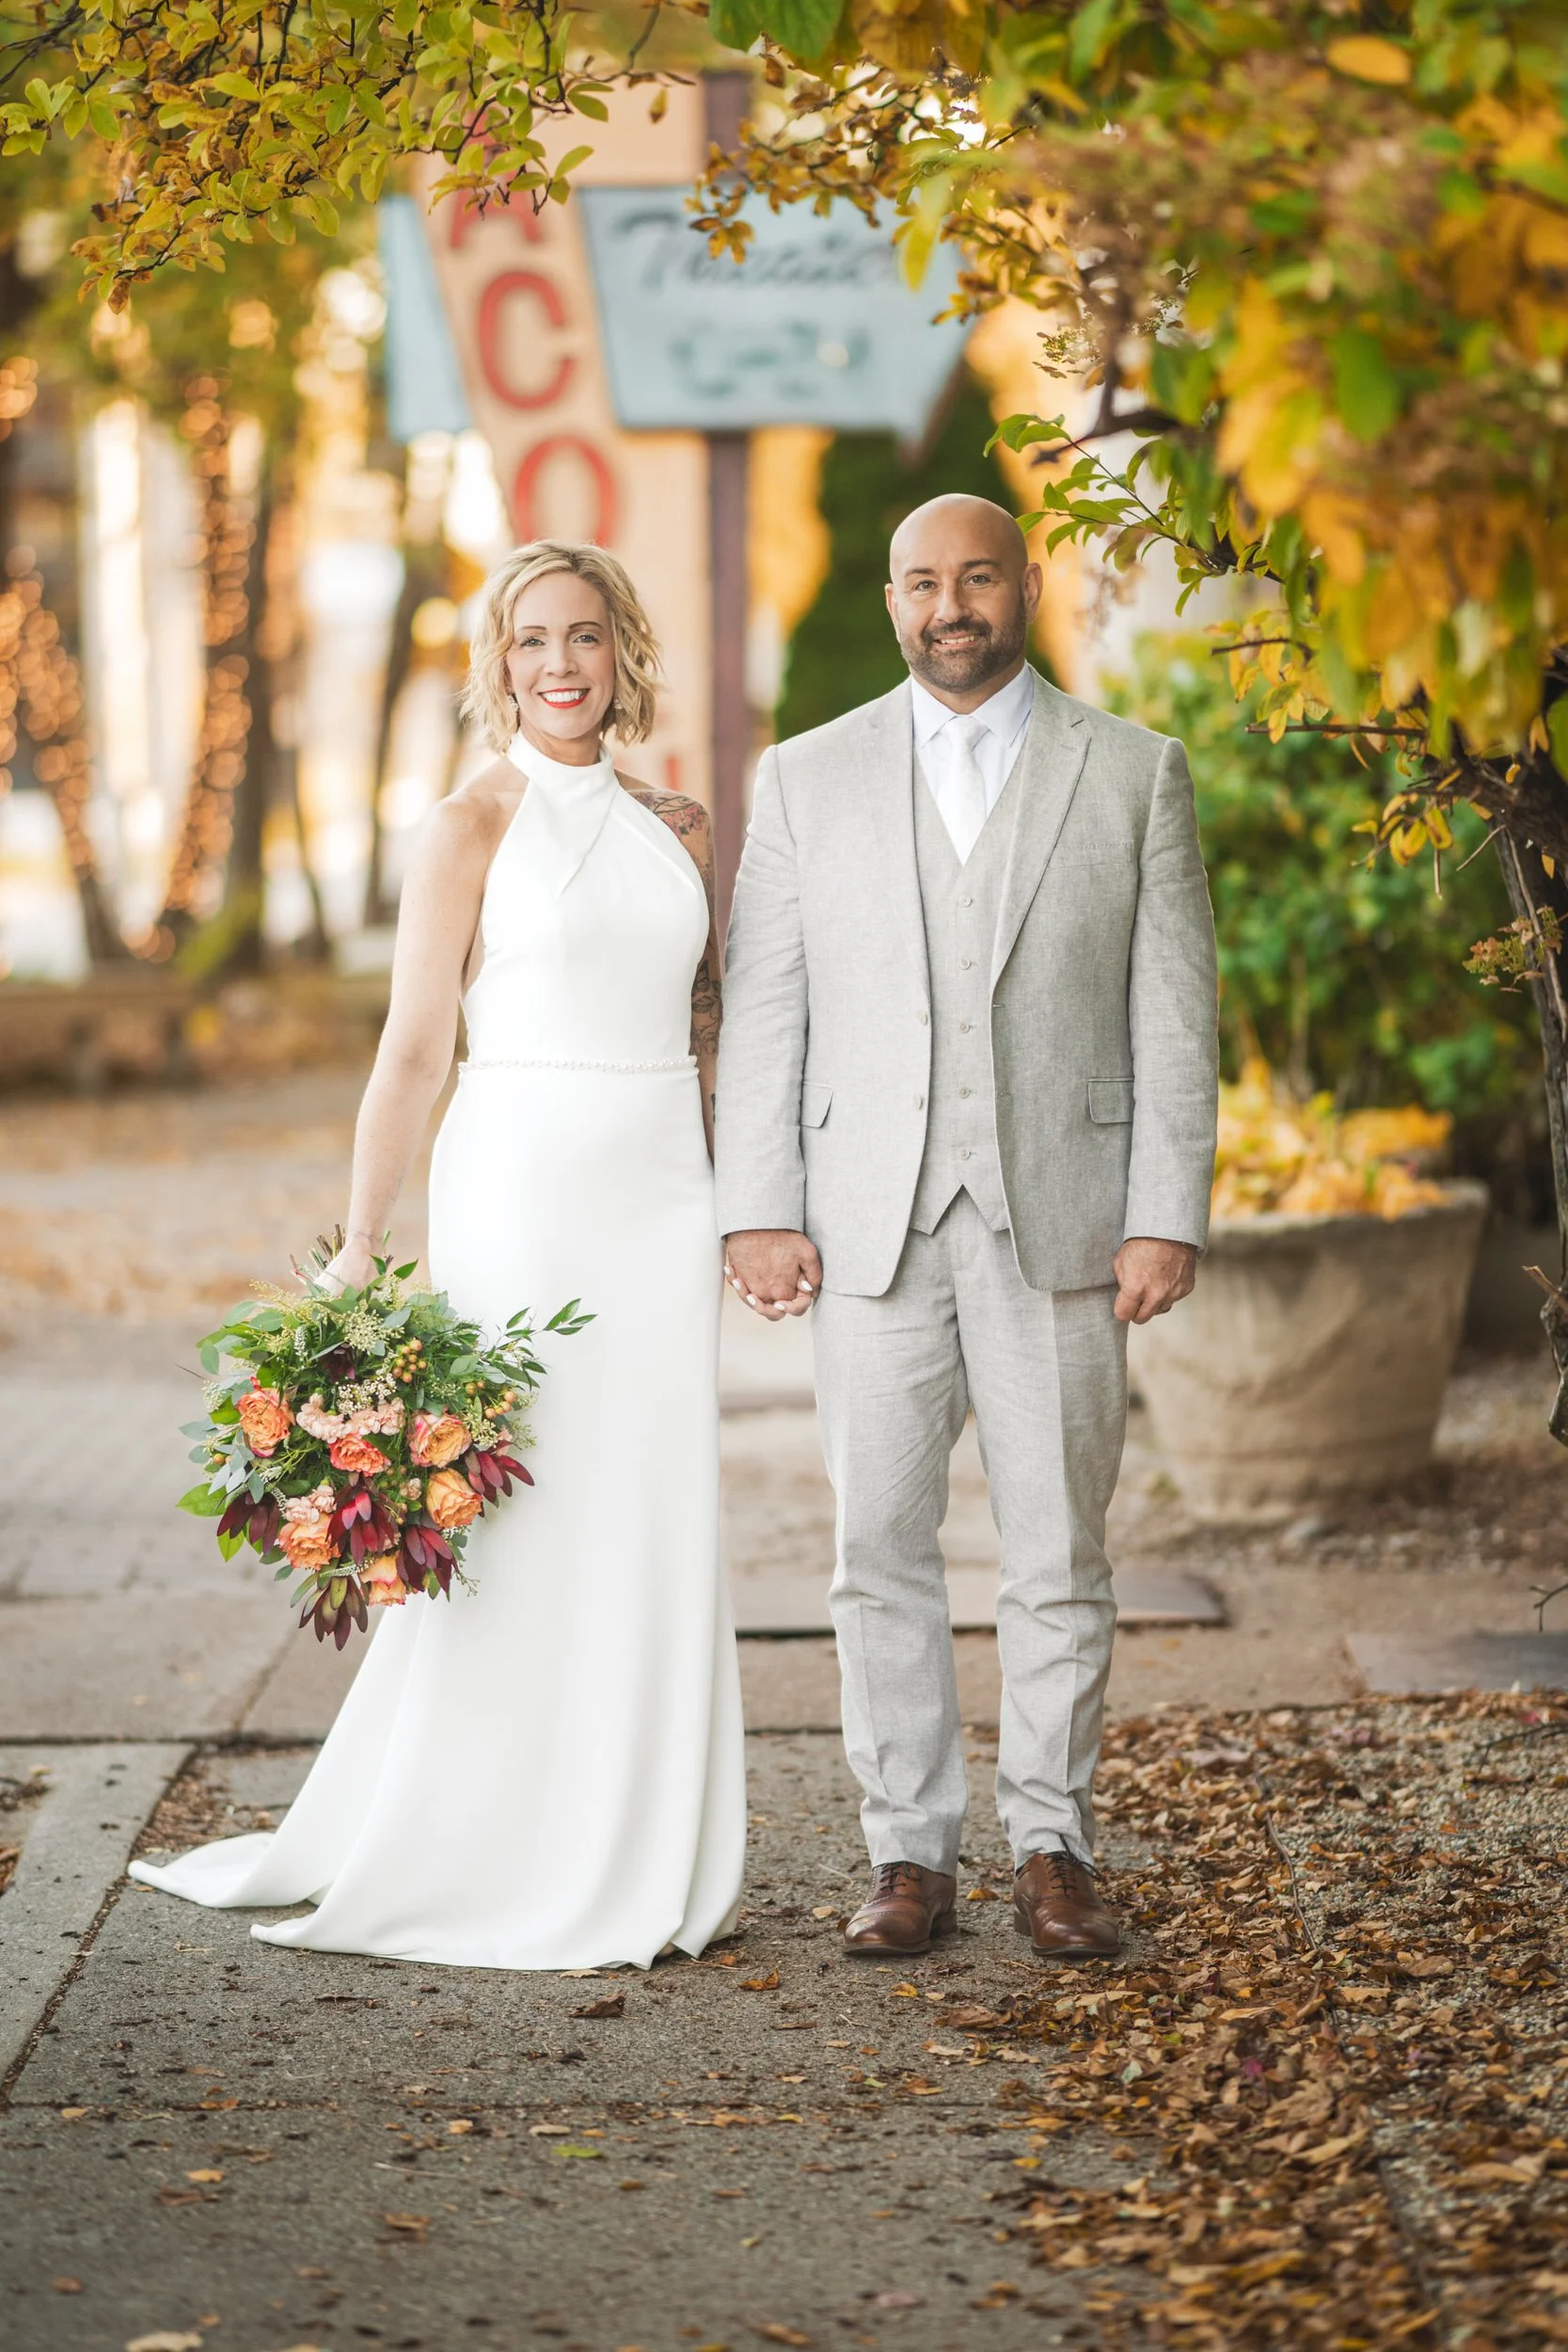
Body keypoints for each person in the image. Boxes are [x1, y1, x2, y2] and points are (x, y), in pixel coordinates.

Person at [133, 542, 746, 1970]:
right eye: (532, 641)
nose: (560, 666)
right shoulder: (467, 825)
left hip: (660, 1195)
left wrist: (747, 1199)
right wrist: (359, 1241)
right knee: (518, 1509)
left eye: (585, 637)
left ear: (621, 650)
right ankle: (489, 1835)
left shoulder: (684, 824)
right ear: (499, 661)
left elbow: (713, 1025)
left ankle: (641, 1832)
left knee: (645, 1505)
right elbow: (415, 1048)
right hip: (521, 1191)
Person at [717, 494, 1217, 1963]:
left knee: (1057, 1545)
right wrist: (756, 1203)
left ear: (1023, 585)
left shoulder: (1130, 772)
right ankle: (906, 1850)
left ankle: (1051, 1841)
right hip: (868, 1224)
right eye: (923, 582)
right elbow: (768, 1006)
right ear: (889, 603)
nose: (952, 604)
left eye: (977, 576)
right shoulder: (807, 778)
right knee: (876, 1546)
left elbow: (1175, 1012)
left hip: (1063, 1222)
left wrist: (1163, 1213)